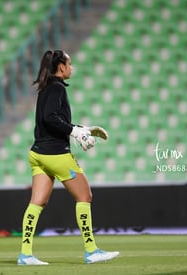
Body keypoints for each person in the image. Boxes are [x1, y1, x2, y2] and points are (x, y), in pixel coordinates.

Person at [17, 49, 119, 265]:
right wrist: (75, 132)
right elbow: (50, 118)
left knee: (37, 202)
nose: (72, 67)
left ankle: (25, 254)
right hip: (56, 154)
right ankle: (91, 251)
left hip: (37, 154)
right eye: (70, 63)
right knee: (85, 196)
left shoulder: (45, 88)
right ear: (61, 67)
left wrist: (84, 129)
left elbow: (51, 121)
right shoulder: (57, 88)